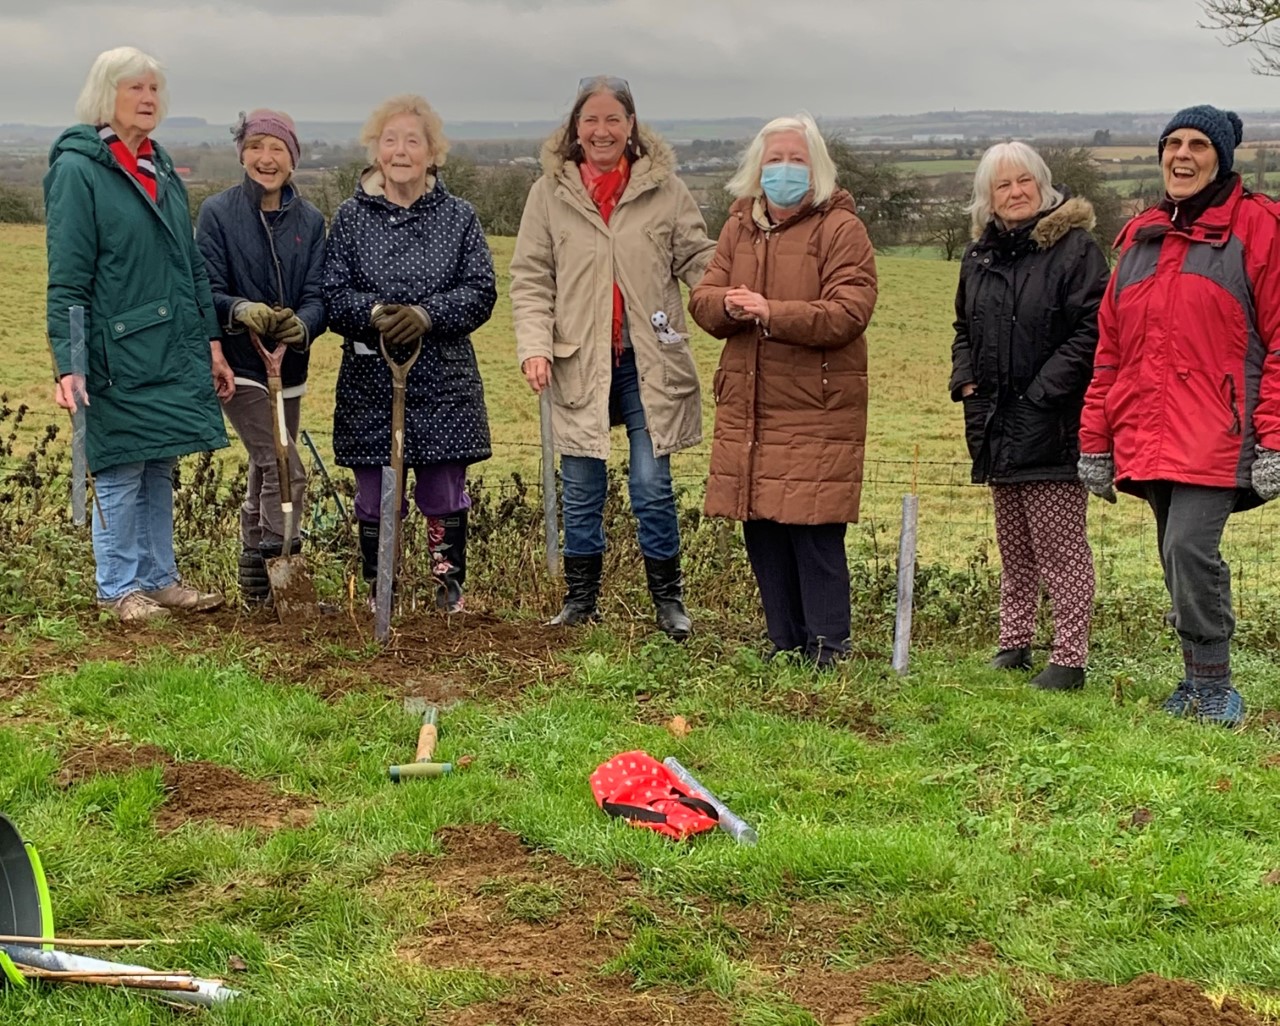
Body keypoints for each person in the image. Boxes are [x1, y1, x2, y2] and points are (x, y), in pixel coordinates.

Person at [1080, 105, 1280, 727]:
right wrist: (1095, 439)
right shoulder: (1141, 239)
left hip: (1220, 432)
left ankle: (1218, 686)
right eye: (1172, 144)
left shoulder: (1261, 229)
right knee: (1173, 555)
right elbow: (1111, 351)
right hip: (1151, 430)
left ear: (1222, 157)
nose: (1182, 155)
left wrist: (1274, 440)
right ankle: (1195, 683)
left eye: (1197, 144)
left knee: (1190, 548)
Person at [511, 76, 714, 639]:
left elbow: (699, 258)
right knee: (580, 487)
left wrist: (733, 296)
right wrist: (534, 347)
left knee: (651, 485)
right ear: (575, 127)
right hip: (578, 361)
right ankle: (580, 601)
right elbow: (531, 278)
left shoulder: (666, 190)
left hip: (649, 361)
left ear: (631, 126)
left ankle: (668, 603)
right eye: (591, 120)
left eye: (613, 120)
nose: (602, 131)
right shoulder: (547, 194)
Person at [45, 46, 231, 622]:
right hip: (115, 352)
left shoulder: (161, 166)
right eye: (134, 88)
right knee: (122, 465)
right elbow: (68, 277)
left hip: (172, 347)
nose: (148, 99)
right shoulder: (78, 171)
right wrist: (68, 363)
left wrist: (212, 343)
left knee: (159, 463)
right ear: (106, 95)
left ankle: (158, 578)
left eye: (154, 89)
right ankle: (119, 587)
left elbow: (191, 266)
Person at [688, 113, 877, 667]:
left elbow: (849, 311)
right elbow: (703, 297)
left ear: (816, 167)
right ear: (757, 168)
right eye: (775, 159)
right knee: (763, 526)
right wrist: (724, 305)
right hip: (750, 401)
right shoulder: (737, 228)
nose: (785, 170)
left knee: (814, 530)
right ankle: (783, 641)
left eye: (797, 159)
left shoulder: (842, 230)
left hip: (816, 405)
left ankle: (827, 646)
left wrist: (773, 313)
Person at [323, 94, 496, 613]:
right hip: (371, 377)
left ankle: (448, 592)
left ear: (432, 153)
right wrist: (376, 314)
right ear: (376, 151)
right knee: (377, 493)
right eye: (389, 140)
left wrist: (426, 316)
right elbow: (332, 293)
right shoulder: (351, 218)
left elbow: (481, 289)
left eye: (412, 141)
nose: (400, 151)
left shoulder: (459, 217)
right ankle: (384, 591)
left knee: (444, 491)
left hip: (442, 377)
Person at [950, 142, 1109, 691]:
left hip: (1053, 423)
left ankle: (1069, 657)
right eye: (1003, 185)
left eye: (1025, 182)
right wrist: (966, 381)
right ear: (987, 198)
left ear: (1043, 187)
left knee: (1062, 550)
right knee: (1014, 545)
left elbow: (1091, 331)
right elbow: (964, 329)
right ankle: (1014, 642)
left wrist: (1042, 393)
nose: (1016, 193)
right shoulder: (979, 256)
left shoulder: (1075, 250)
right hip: (996, 423)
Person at [196, 109, 327, 607]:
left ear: (292, 158)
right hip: (236, 363)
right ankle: (283, 584)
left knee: (264, 465)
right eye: (255, 147)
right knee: (284, 465)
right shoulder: (217, 213)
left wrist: (304, 324)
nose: (265, 159)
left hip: (287, 365)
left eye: (277, 149)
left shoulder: (311, 221)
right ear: (242, 154)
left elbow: (319, 294)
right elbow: (204, 289)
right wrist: (241, 311)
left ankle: (255, 589)